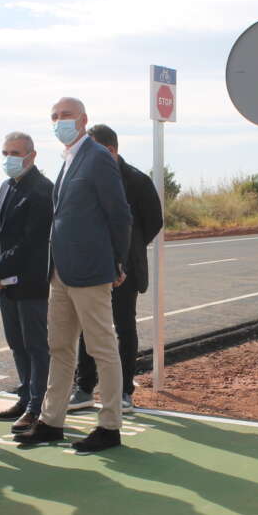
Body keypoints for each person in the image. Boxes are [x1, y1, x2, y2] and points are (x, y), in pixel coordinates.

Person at [14, 97, 131, 453]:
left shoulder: (97, 158)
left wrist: (118, 263)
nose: (59, 121)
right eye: (54, 116)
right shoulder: (67, 160)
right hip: (61, 272)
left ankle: (110, 425)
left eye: (65, 115)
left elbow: (120, 215)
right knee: (60, 348)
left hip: (91, 271)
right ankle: (51, 421)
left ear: (83, 119)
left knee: (101, 348)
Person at [68, 124, 163, 413]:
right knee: (89, 327)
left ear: (110, 150)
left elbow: (153, 221)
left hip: (124, 270)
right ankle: (84, 388)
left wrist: (128, 250)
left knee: (124, 327)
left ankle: (124, 392)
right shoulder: (85, 178)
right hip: (91, 266)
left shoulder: (136, 180)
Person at [0, 132, 53, 433]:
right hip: (6, 282)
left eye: (16, 152)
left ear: (32, 155)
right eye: (5, 152)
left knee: (35, 344)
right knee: (16, 343)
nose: (9, 158)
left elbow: (32, 242)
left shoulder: (42, 190)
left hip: (31, 280)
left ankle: (36, 406)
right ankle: (25, 394)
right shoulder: (5, 186)